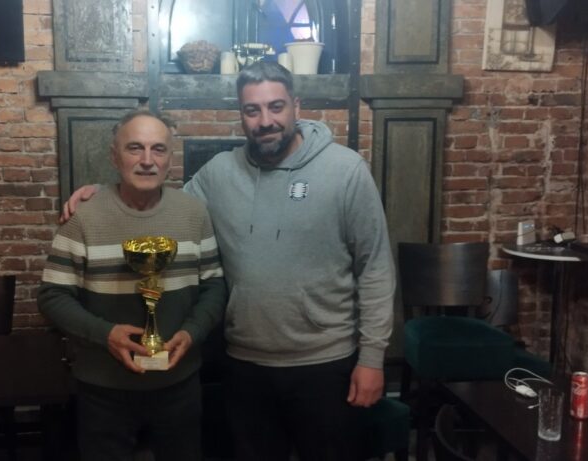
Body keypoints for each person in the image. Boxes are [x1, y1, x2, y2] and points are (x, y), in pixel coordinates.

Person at [62, 62, 395, 461]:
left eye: (276, 107)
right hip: (245, 366)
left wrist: (372, 359)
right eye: (252, 110)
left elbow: (375, 268)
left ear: (296, 106)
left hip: (326, 364)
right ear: (241, 115)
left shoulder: (346, 171)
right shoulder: (219, 173)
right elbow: (163, 202)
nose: (265, 120)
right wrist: (105, 192)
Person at [38, 111, 226, 461]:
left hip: (179, 384)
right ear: (114, 156)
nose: (147, 160)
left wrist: (192, 332)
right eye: (135, 148)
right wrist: (105, 334)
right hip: (103, 389)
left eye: (158, 149)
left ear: (170, 158)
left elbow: (214, 286)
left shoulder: (194, 213)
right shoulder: (83, 218)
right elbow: (52, 295)